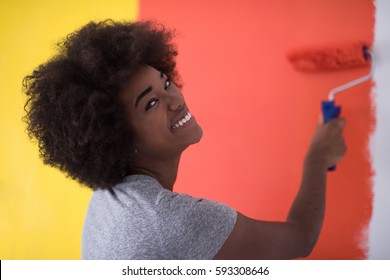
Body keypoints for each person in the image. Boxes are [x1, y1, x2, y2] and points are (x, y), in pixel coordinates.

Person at [23, 20, 346, 260]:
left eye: (165, 83)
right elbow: (299, 240)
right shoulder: (172, 220)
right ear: (117, 136)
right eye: (150, 104)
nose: (175, 100)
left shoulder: (107, 198)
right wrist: (317, 158)